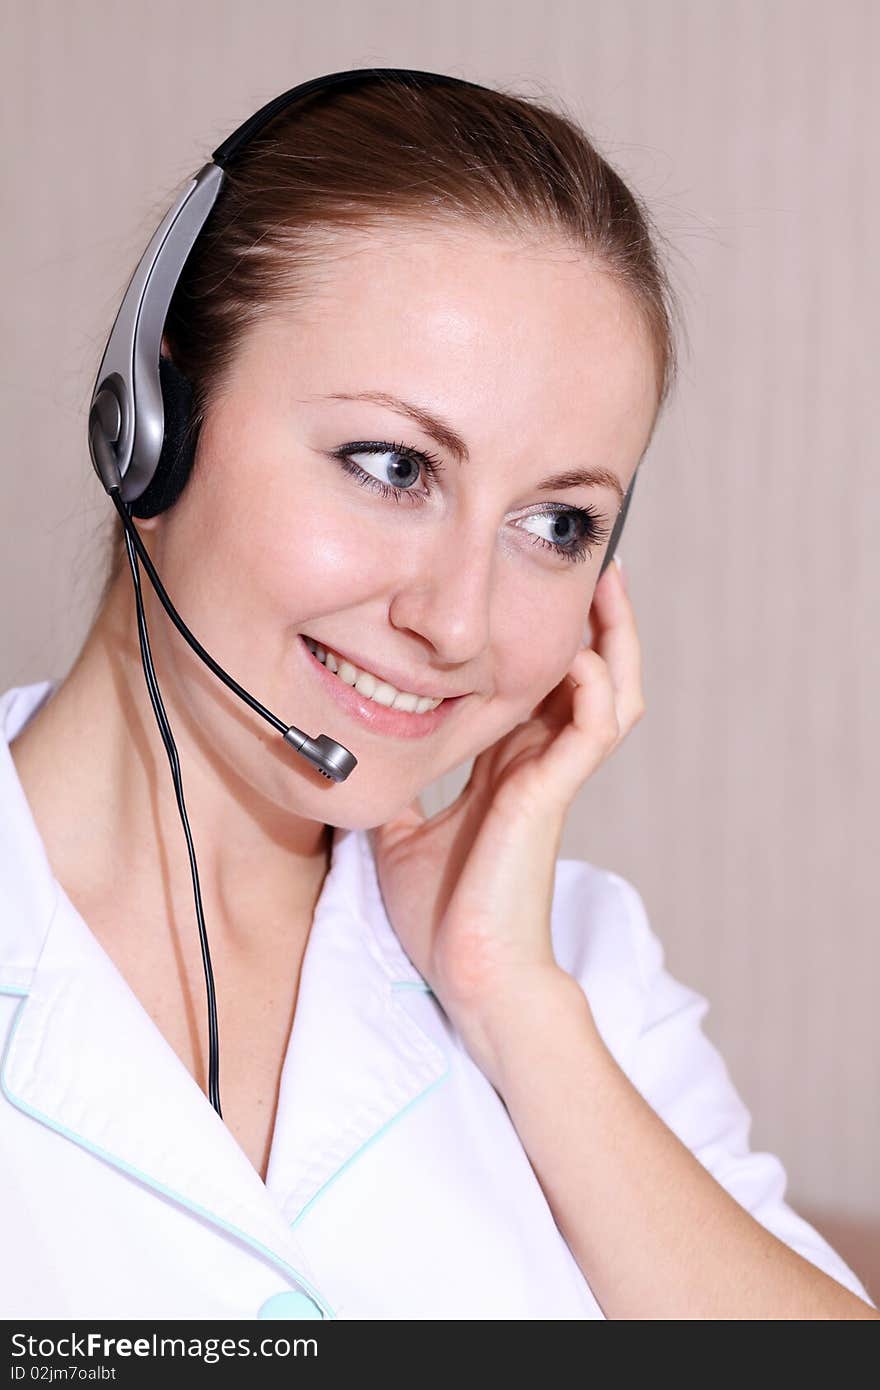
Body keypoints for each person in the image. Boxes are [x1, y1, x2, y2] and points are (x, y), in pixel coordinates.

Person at [1, 71, 875, 1321]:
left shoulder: (574, 968)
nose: (456, 622)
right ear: (148, 417)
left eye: (555, 523)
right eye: (392, 465)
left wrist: (507, 999)